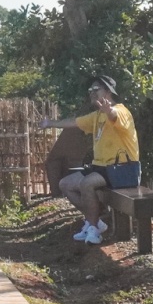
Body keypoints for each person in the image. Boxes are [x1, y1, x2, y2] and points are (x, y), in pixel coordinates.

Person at [39, 75, 141, 245]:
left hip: (123, 169)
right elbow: (75, 122)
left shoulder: (122, 111)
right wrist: (50, 123)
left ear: (108, 92)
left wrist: (110, 112)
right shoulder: (96, 116)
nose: (92, 93)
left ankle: (93, 229)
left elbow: (115, 116)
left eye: (96, 90)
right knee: (65, 184)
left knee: (87, 184)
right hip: (102, 167)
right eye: (90, 90)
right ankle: (94, 222)